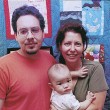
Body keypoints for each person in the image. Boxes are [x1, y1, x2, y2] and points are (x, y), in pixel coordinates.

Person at [0, 5, 56, 110]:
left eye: (35, 30)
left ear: (42, 33)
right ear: (16, 36)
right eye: (23, 31)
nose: (30, 36)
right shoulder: (2, 67)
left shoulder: (50, 60)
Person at [53, 22, 109, 110]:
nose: (72, 49)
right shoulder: (54, 71)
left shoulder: (95, 68)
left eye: (77, 44)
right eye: (67, 43)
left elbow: (97, 107)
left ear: (83, 47)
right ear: (60, 46)